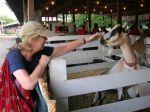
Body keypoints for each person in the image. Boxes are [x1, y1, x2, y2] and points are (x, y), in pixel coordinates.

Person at [6, 21, 102, 111]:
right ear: (32, 40)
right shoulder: (14, 55)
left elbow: (65, 47)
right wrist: (42, 64)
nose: (46, 39)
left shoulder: (40, 51)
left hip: (30, 101)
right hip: (15, 103)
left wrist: (87, 39)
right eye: (44, 37)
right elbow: (29, 84)